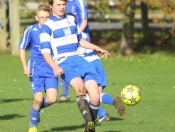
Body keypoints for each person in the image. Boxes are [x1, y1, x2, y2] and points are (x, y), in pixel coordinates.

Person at [40, 0, 110, 131]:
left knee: (95, 98)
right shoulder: (47, 26)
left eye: (63, 4)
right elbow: (45, 52)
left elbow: (80, 40)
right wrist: (55, 66)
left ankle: (90, 125)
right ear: (51, 6)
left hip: (81, 60)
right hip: (64, 62)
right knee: (80, 87)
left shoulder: (72, 19)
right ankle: (90, 123)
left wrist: (97, 48)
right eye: (58, 4)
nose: (61, 7)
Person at [66, 0, 125, 122]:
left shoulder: (70, 36)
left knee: (84, 95)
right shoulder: (81, 33)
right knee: (95, 96)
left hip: (85, 65)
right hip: (96, 61)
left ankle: (102, 114)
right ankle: (109, 106)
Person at [18, 5, 58, 132]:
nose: (45, 20)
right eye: (42, 17)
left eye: (47, 17)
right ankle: (32, 126)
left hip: (51, 67)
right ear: (37, 17)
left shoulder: (54, 30)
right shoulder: (31, 30)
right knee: (38, 98)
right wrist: (25, 66)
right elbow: (22, 48)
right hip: (36, 67)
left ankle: (36, 108)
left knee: (52, 99)